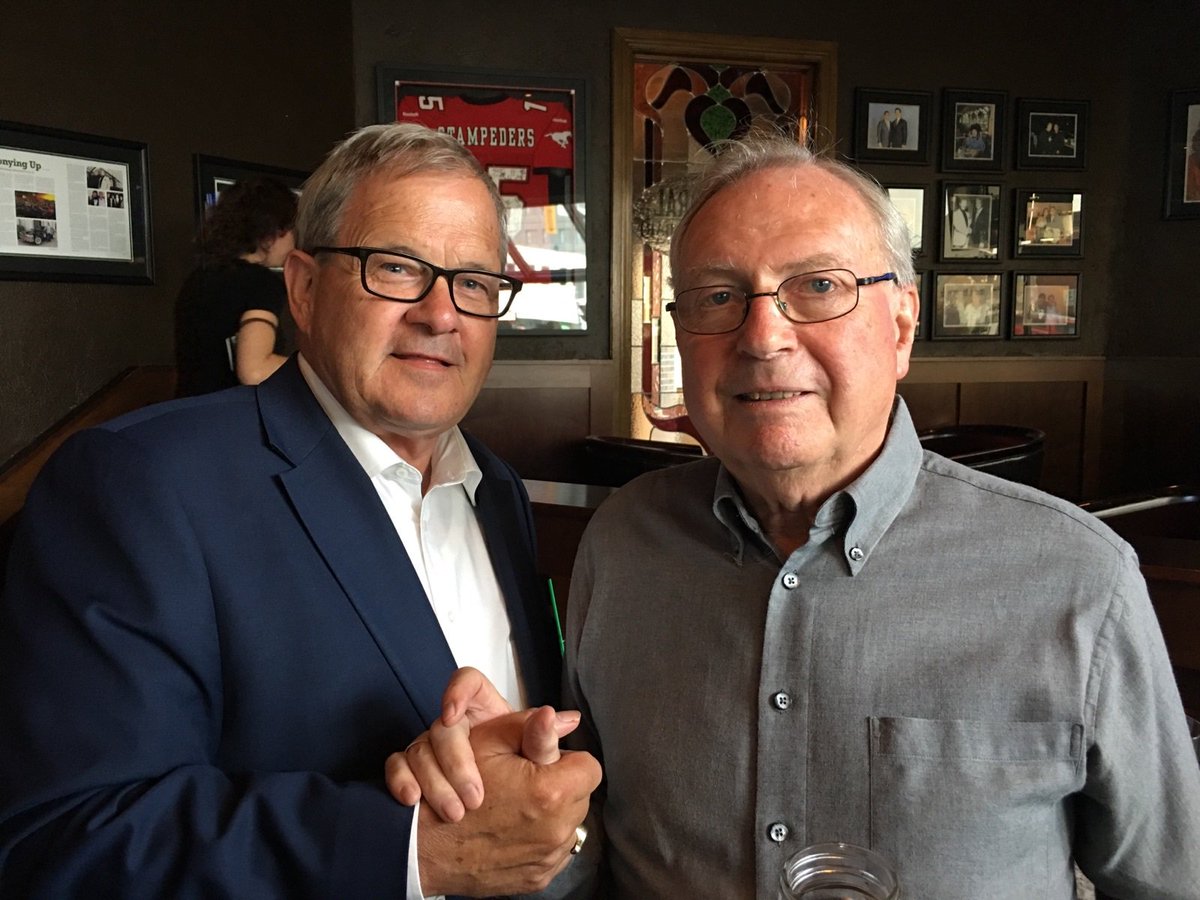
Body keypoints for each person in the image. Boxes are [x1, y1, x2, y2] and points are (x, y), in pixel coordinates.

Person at [392, 133, 1200, 899]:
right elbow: (593, 842)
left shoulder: (1077, 578)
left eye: (818, 287)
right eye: (718, 297)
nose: (763, 335)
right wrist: (515, 802)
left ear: (902, 325)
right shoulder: (626, 544)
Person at [0, 123, 600, 898]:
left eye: (476, 283)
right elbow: (67, 841)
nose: (441, 314)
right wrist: (411, 853)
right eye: (397, 267)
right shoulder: (137, 484)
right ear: (305, 290)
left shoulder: (498, 489)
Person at [173, 177, 298, 397]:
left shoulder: (198, 278)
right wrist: (314, 372)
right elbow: (254, 370)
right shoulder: (261, 283)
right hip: (231, 411)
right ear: (271, 233)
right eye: (291, 229)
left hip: (188, 408)